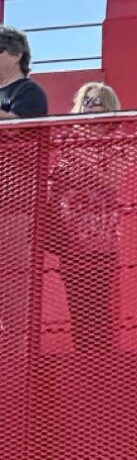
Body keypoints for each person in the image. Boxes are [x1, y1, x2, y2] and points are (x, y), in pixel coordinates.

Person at [47, 83, 127, 351]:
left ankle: (102, 358)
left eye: (98, 102)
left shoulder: (117, 140)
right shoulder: (64, 139)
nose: (91, 106)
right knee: (77, 302)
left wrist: (82, 153)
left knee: (98, 300)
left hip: (100, 236)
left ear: (110, 107)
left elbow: (113, 182)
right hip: (68, 235)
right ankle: (84, 357)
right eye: (86, 100)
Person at [0, 26, 48, 354]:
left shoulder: (29, 92)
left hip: (14, 202)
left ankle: (18, 347)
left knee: (13, 274)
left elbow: (21, 134)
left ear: (16, 54)